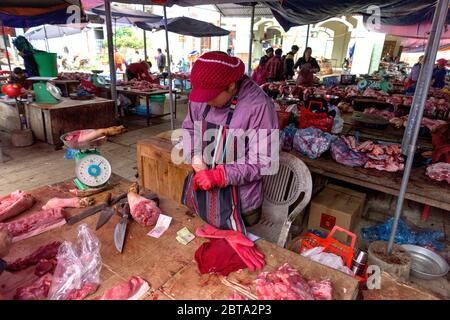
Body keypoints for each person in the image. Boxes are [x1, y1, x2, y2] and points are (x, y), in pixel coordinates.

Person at [181, 51, 278, 231]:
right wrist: (194, 155)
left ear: (231, 85)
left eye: (211, 96)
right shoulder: (202, 97)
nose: (206, 101)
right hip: (203, 193)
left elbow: (264, 161)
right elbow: (189, 129)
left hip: (240, 202)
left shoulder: (259, 106)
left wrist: (220, 175)